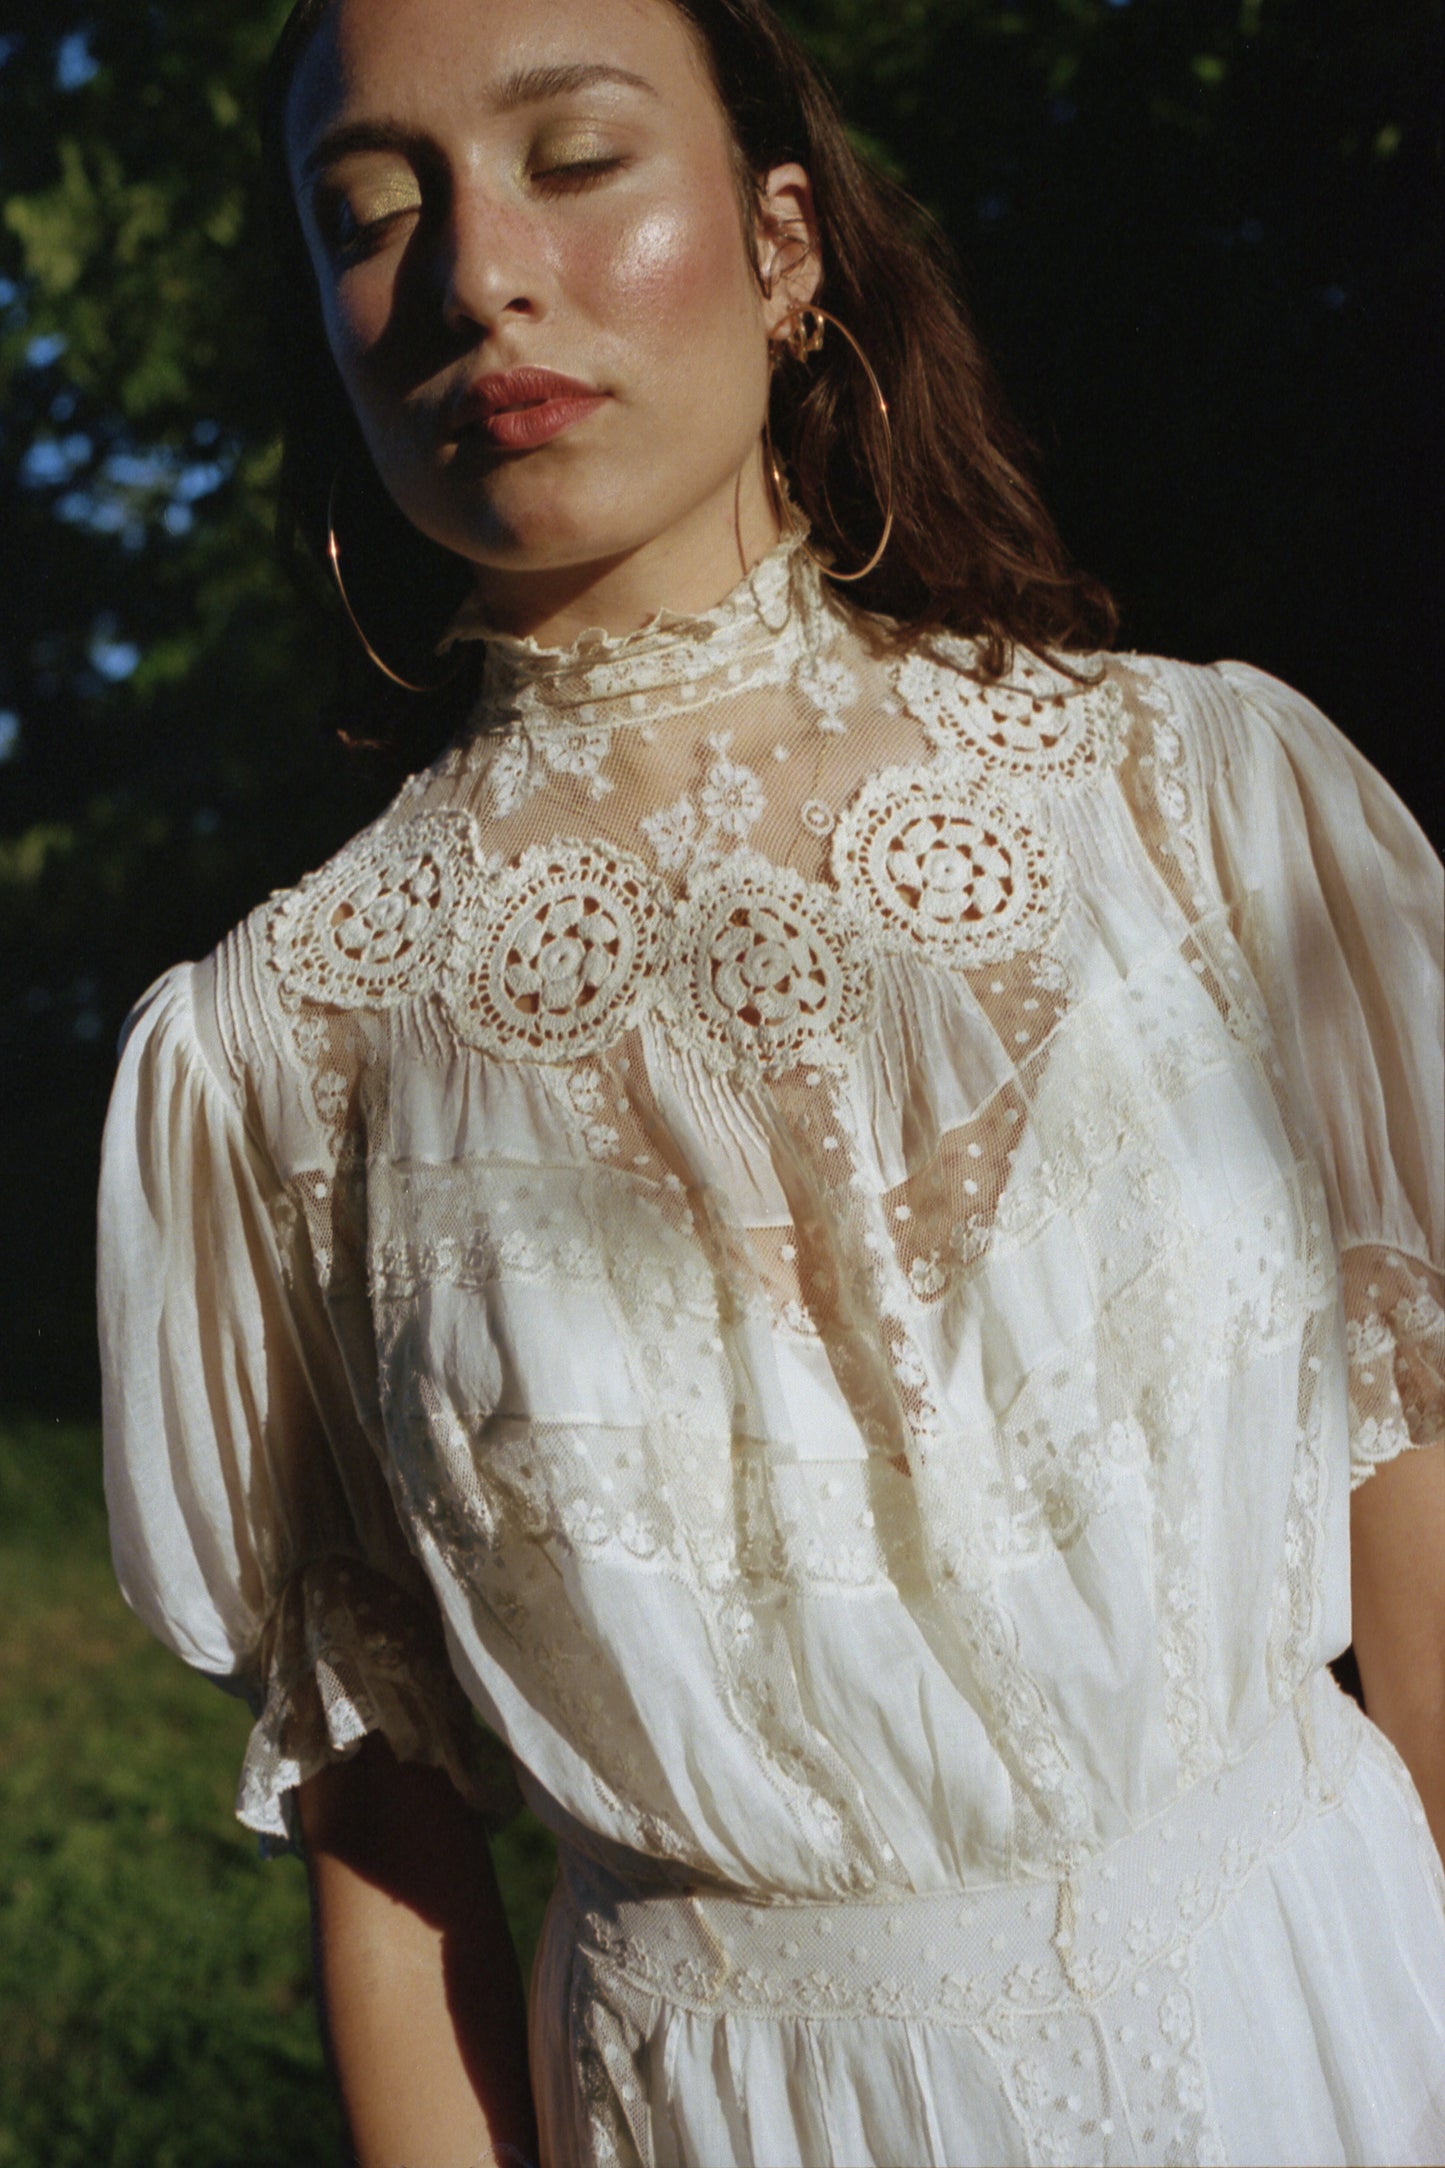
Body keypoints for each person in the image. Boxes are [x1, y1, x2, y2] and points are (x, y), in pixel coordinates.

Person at [96, 0, 1445, 2161]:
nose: (475, 276)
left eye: (575, 157)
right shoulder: (280, 1055)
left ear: (786, 239)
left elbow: (1422, 1516)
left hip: (1338, 2023)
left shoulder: (1200, 797)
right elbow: (393, 1844)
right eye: (371, 216)